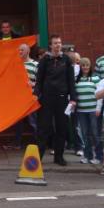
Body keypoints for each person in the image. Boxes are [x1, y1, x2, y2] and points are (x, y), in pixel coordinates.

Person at [34, 34, 77, 166]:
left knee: (61, 128)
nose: (58, 45)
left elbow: (71, 80)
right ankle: (38, 157)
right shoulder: (44, 60)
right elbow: (39, 80)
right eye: (55, 43)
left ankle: (59, 157)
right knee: (43, 128)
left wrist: (73, 98)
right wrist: (36, 95)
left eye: (59, 43)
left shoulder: (66, 60)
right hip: (46, 99)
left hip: (62, 99)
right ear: (51, 45)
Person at [12, 43, 38, 150]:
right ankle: (17, 143)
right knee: (18, 122)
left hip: (31, 98)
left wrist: (34, 84)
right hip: (18, 99)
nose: (20, 52)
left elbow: (41, 81)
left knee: (33, 122)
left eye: (22, 50)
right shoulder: (15, 64)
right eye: (19, 50)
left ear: (28, 51)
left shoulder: (35, 65)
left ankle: (37, 144)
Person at [75, 58, 101, 164]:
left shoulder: (95, 78)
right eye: (83, 65)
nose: (85, 67)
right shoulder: (76, 79)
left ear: (90, 66)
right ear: (80, 67)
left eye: (87, 65)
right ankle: (87, 155)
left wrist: (98, 108)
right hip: (81, 111)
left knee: (95, 133)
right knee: (84, 134)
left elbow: (100, 94)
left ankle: (99, 156)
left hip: (93, 110)